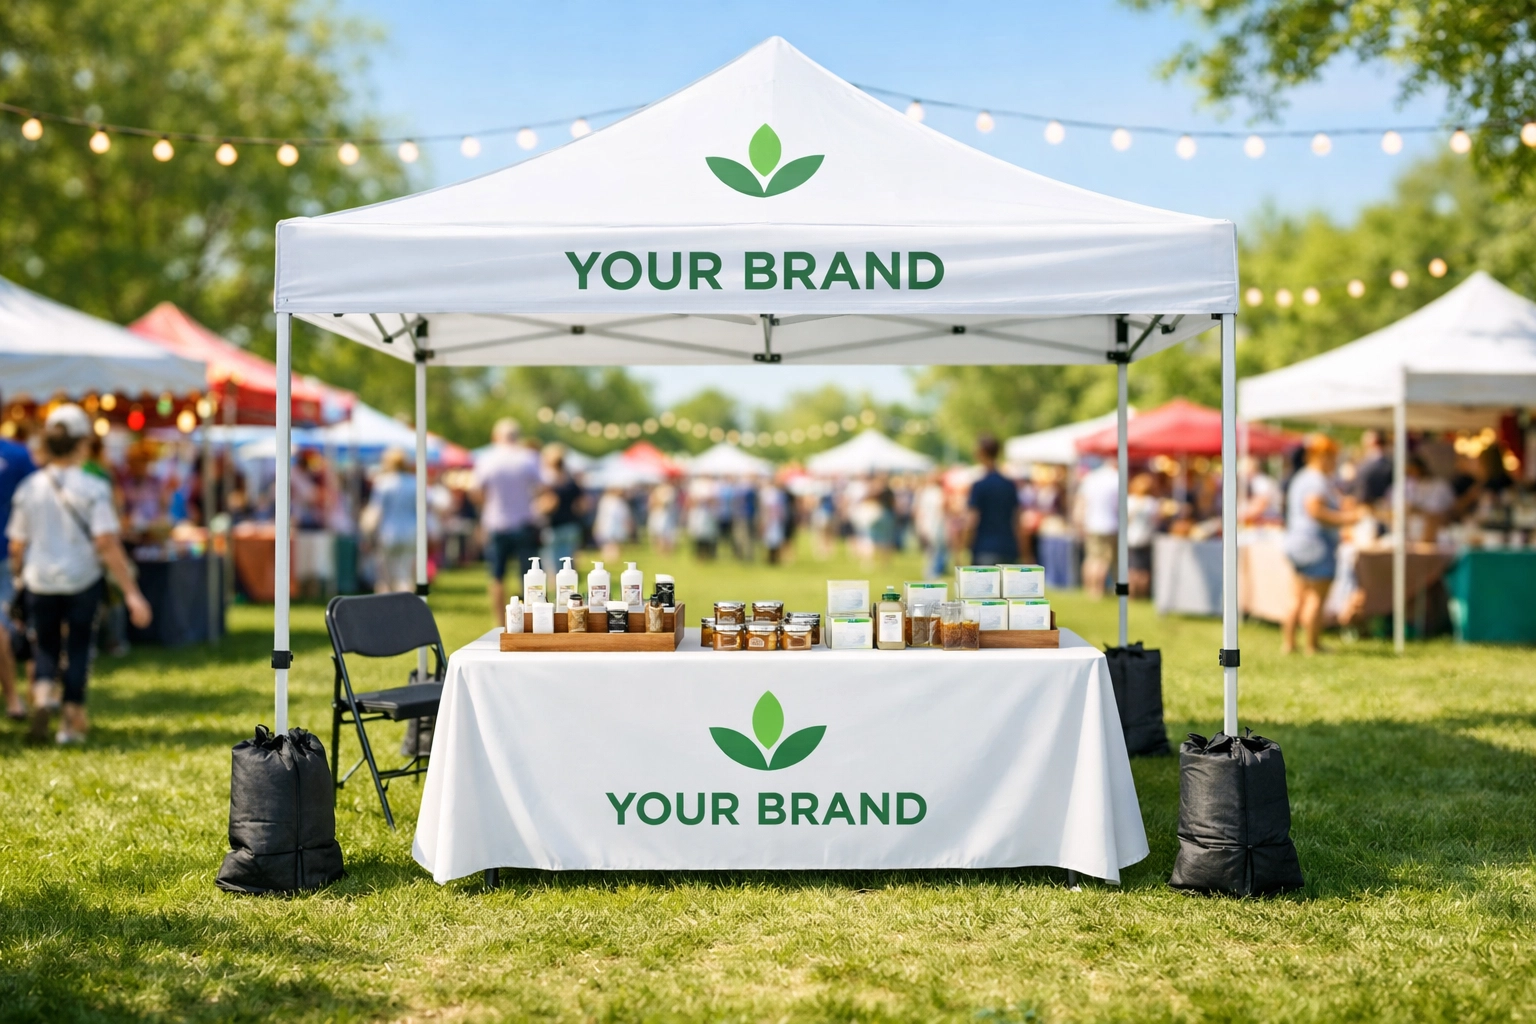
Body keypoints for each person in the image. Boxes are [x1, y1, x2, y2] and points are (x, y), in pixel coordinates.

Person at [8, 405, 152, 744]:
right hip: (82, 578)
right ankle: (70, 723)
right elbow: (106, 542)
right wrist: (132, 593)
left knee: (44, 644)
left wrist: (17, 576)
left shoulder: (30, 487)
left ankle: (42, 694)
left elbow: (16, 544)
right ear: (81, 444)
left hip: (39, 578)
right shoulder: (93, 487)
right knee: (78, 647)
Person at [1281, 434, 1361, 656]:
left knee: (1297, 596)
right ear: (1322, 456)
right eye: (1332, 457)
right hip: (1315, 545)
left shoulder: (1301, 477)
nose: (1335, 462)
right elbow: (1315, 510)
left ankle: (1289, 644)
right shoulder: (1316, 480)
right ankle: (1312, 645)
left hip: (1296, 543)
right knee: (1317, 597)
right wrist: (1347, 519)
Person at [472, 418, 542, 624]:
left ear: (495, 437)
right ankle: (528, 620)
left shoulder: (487, 458)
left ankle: (501, 623)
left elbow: (476, 490)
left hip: (496, 524)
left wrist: (487, 507)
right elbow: (543, 487)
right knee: (529, 577)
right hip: (524, 523)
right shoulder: (528, 458)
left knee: (497, 576)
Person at [0, 429, 36, 721]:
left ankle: (15, 697)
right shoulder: (19, 455)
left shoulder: (17, 455)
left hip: (11, 554)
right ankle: (34, 696)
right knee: (24, 622)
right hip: (15, 552)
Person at [362, 448, 419, 593]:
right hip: (411, 533)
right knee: (404, 574)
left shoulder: (383, 483)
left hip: (388, 533)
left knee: (384, 576)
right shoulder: (414, 483)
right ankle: (406, 607)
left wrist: (366, 532)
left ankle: (384, 609)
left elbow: (376, 511)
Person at [965, 435, 1021, 565]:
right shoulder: (1009, 485)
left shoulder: (979, 485)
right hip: (1008, 548)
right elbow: (1017, 520)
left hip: (984, 548)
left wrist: (964, 545)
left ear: (981, 453)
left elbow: (972, 520)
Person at [1075, 456, 1120, 598]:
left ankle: (1089, 588)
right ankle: (1098, 591)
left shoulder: (1091, 478)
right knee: (1103, 560)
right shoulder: (1116, 479)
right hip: (1109, 525)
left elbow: (1081, 502)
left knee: (1091, 558)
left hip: (1091, 524)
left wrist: (1080, 523)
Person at [536, 444, 585, 567]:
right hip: (571, 525)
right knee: (569, 563)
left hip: (554, 526)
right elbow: (583, 505)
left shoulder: (548, 480)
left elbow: (549, 504)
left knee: (553, 564)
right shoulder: (571, 480)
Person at [1125, 472, 1159, 599]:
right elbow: (1156, 521)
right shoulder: (1152, 503)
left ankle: (1130, 594)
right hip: (1146, 538)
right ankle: (1142, 594)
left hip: (1131, 538)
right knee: (1143, 569)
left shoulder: (1130, 501)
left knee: (1131, 568)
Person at [592, 487, 633, 564]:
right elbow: (625, 516)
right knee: (610, 544)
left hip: (610, 526)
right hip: (610, 526)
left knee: (610, 544)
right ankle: (610, 560)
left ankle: (610, 561)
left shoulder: (606, 500)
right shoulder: (616, 502)